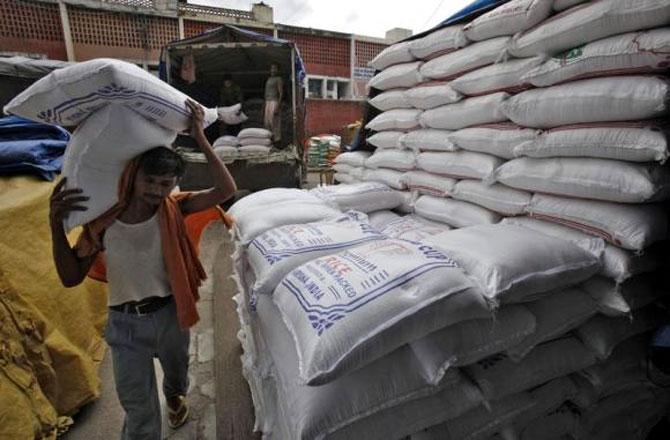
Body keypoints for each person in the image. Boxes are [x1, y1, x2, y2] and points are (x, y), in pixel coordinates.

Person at [48, 100, 236, 440]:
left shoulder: (175, 209)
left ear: (175, 184)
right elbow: (70, 276)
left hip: (170, 315)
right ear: (134, 177)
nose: (156, 190)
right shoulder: (103, 222)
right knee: (139, 412)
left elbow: (226, 190)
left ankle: (174, 395)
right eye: (150, 181)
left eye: (166, 183)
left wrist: (200, 137)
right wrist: (55, 226)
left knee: (178, 377)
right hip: (125, 325)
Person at [263, 62, 283, 144]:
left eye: (275, 68)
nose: (273, 70)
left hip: (274, 101)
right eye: (272, 68)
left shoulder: (278, 79)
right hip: (268, 101)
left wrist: (278, 106)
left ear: (278, 70)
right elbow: (266, 92)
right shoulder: (269, 79)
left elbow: (281, 93)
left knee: (274, 122)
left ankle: (277, 141)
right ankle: (269, 140)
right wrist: (265, 103)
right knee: (267, 122)